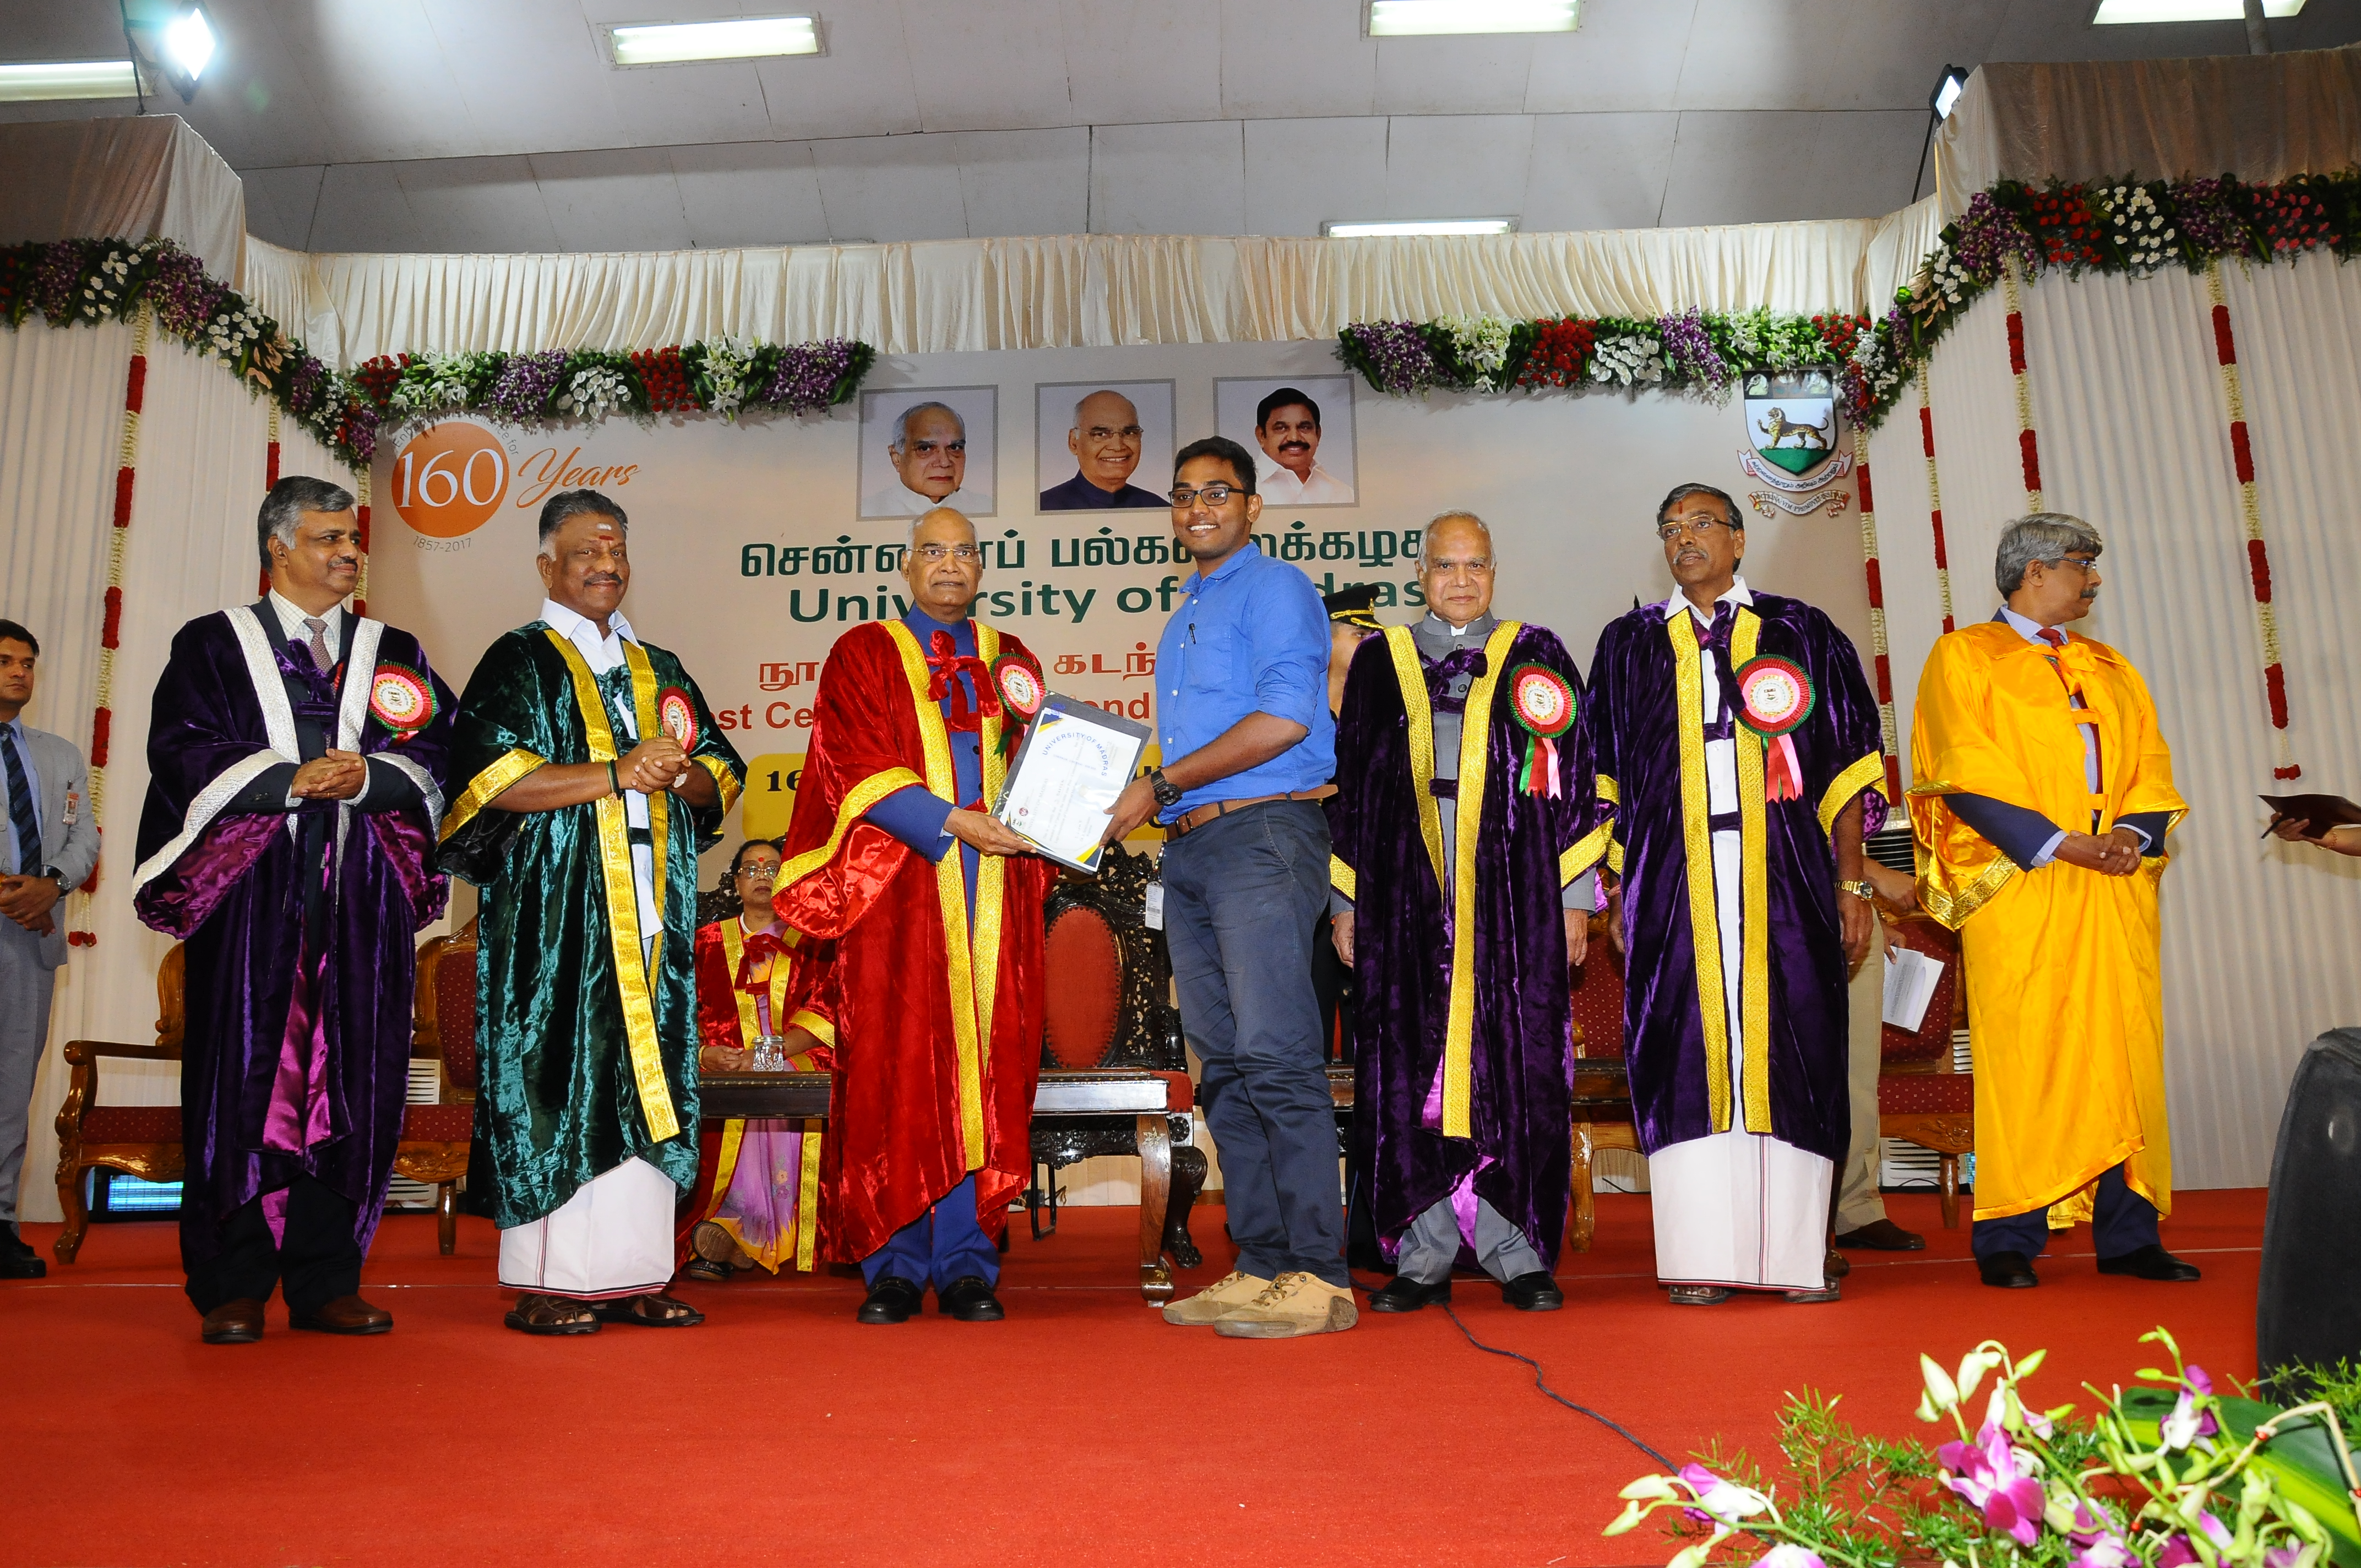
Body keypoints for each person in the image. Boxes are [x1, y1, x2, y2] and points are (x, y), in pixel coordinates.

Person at [130, 476, 455, 1342]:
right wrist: (289, 779)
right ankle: (233, 1281)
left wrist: (370, 774)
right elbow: (182, 748)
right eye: (328, 539)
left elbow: (439, 748)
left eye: (353, 538)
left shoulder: (394, 650)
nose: (350, 552)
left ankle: (325, 1278)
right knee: (242, 1078)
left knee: (354, 1079)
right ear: (279, 547)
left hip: (361, 902)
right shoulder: (214, 644)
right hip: (252, 899)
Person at [439, 488, 744, 1335]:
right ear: (548, 567)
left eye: (616, 551)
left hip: (653, 917)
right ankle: (548, 1281)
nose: (606, 565)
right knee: (557, 1081)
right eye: (586, 552)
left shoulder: (660, 667)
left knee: (646, 1086)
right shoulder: (519, 661)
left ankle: (637, 1275)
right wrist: (617, 772)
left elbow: (721, 773)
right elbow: (487, 784)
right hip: (558, 920)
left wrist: (681, 773)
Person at [1587, 482, 1885, 1305]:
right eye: (1669, 527)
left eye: (1701, 524)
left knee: (1796, 1045)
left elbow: (1847, 768)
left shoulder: (1802, 631)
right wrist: (1617, 887)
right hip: (1671, 882)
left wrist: (1851, 882)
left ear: (1739, 539)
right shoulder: (1629, 645)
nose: (1684, 539)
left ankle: (1797, 1254)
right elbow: (1603, 776)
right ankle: (1700, 1258)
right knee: (1684, 1050)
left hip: (1787, 879)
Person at [773, 507, 1056, 1325]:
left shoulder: (1013, 658)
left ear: (982, 567)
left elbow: (1046, 764)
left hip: (996, 897)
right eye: (934, 551)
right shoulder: (863, 652)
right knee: (897, 1068)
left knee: (985, 1074)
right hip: (897, 895)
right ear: (907, 564)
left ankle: (967, 1262)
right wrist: (950, 821)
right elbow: (851, 765)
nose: (950, 564)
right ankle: (893, 1262)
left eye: (964, 551)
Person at [1102, 435, 1352, 1339]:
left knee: (1277, 1054)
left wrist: (1159, 783)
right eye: (1182, 494)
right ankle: (1262, 1263)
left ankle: (1320, 1274)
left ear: (1252, 506)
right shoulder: (1186, 615)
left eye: (1217, 492)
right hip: (1195, 849)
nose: (1197, 507)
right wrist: (1149, 798)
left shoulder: (1276, 588)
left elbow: (1285, 719)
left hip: (1262, 836)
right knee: (1226, 1067)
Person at [1328, 513, 1607, 1313]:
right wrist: (1346, 901)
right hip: (1403, 899)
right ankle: (1422, 1255)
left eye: (1475, 565)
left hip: (1516, 899)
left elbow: (1577, 778)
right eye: (1446, 566)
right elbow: (1353, 786)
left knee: (1515, 1066)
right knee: (1409, 1067)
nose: (1461, 580)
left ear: (1493, 572)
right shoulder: (1382, 660)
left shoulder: (1536, 653)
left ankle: (1515, 1249)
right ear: (1420, 574)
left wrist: (1574, 899)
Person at [1910, 513, 2195, 1289]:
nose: (2093, 579)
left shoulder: (2109, 664)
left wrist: (2131, 835)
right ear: (2034, 571)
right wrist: (2060, 843)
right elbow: (1960, 771)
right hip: (2024, 884)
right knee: (2028, 1057)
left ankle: (2129, 1235)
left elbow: (2150, 766)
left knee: (2126, 1054)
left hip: (2112, 886)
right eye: (2081, 563)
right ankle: (2009, 1234)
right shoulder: (1965, 655)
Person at [677, 837, 836, 1282]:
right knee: (705, 1086)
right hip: (720, 1063)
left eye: (772, 869)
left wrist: (764, 1055)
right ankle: (731, 1224)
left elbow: (828, 1012)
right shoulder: (705, 942)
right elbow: (675, 1013)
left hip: (797, 1055)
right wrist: (704, 1053)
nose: (762, 877)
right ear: (735, 881)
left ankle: (746, 1228)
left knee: (775, 1080)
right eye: (751, 869)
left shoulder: (814, 939)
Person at [0, 622, 100, 1281]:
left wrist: (51, 885)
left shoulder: (58, 754)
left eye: (28, 663)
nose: (20, 672)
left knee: (11, 1086)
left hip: (31, 938)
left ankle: (0, 1222)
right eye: (6, 660)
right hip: (19, 910)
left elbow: (84, 838)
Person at [1830, 858, 1927, 1269]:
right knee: (1798, 1080)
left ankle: (1856, 1210)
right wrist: (1871, 873)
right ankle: (1795, 1220)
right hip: (1781, 908)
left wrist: (1866, 911)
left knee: (1859, 1076)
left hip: (1849, 905)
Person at [1038, 389, 1167, 511]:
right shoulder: (1044, 507)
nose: (1117, 447)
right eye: (1101, 434)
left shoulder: (1159, 508)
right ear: (1074, 443)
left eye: (1129, 433)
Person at [865, 401, 973, 516]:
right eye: (925, 449)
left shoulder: (982, 505)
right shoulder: (869, 510)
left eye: (954, 448)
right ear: (896, 458)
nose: (945, 462)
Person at [1251, 388, 1354, 506]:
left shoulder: (1342, 494)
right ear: (1261, 436)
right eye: (1281, 428)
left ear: (1318, 434)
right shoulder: (1245, 490)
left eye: (1304, 427)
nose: (1294, 438)